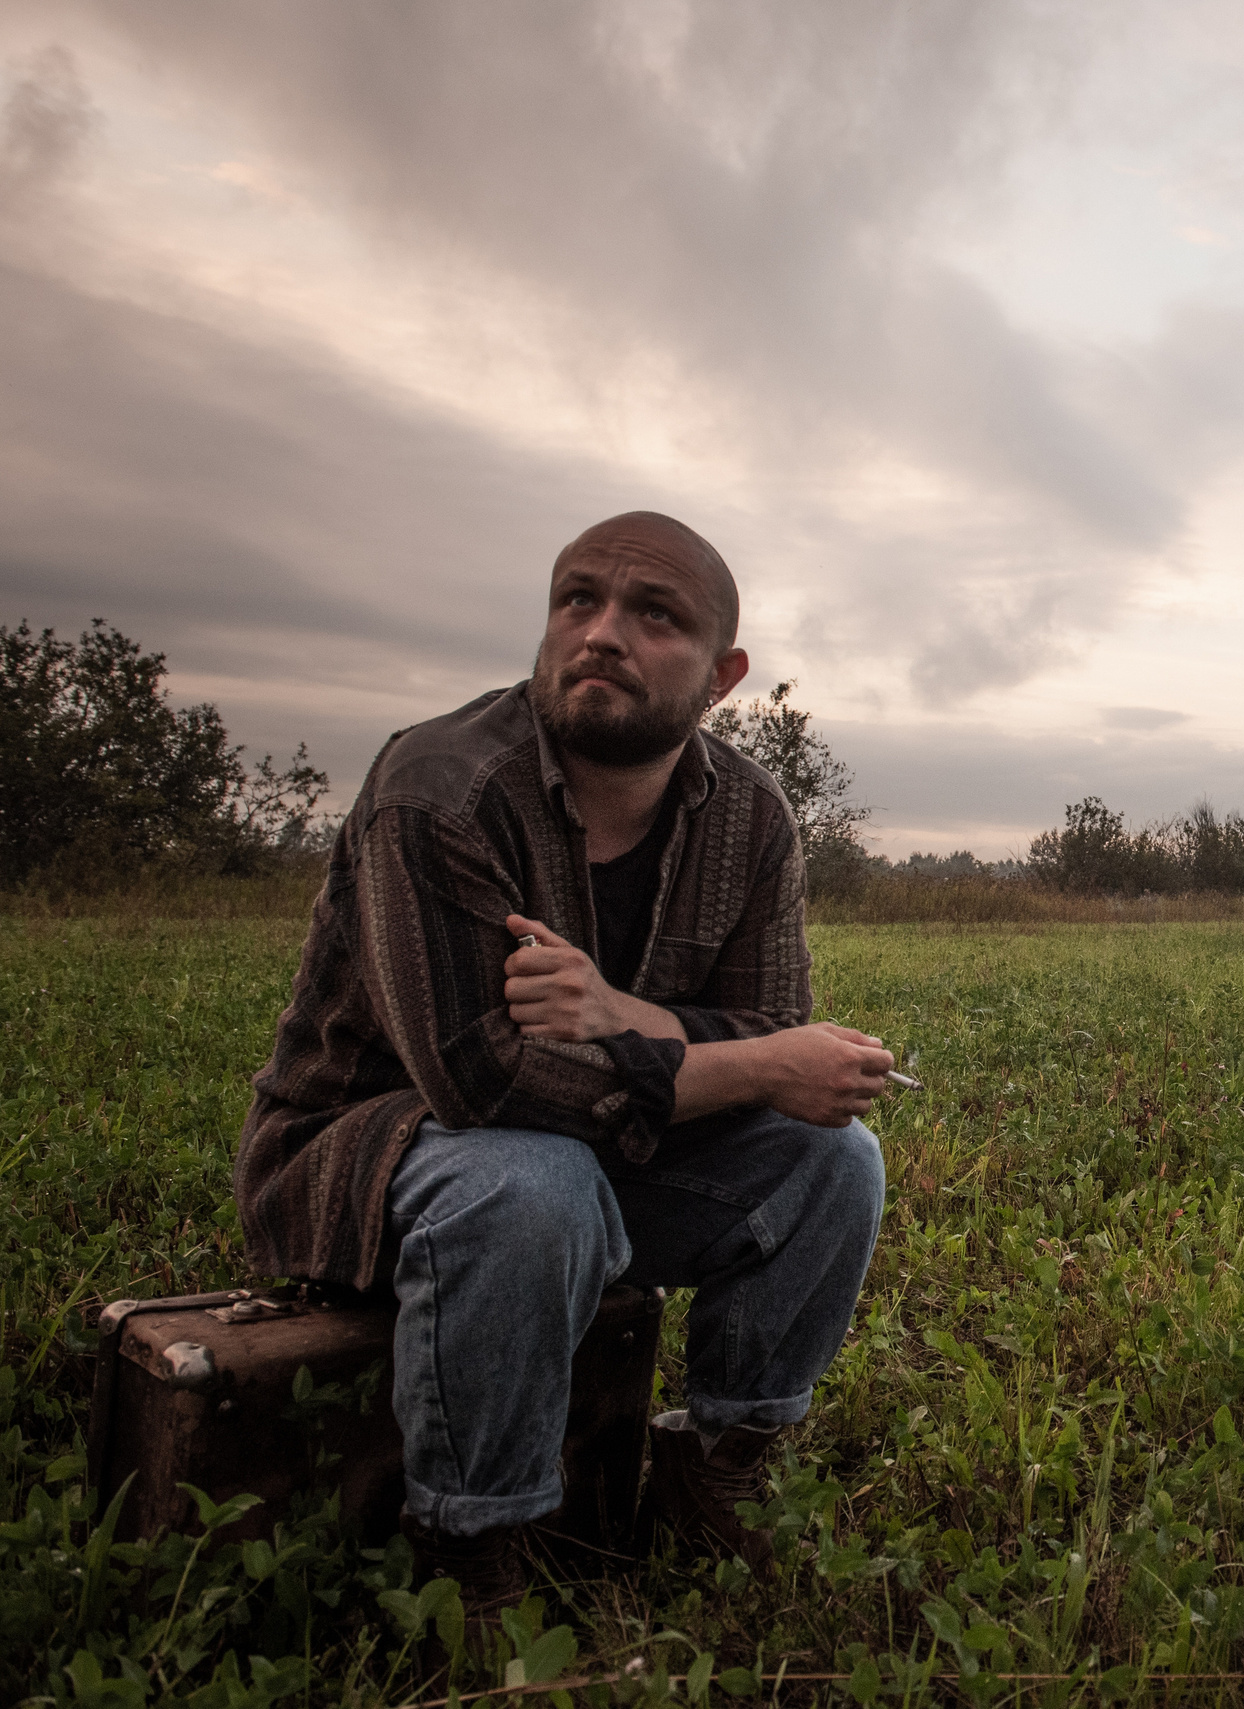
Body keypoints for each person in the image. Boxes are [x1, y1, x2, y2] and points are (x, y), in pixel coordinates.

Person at [235, 511, 893, 1609]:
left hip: (597, 1148)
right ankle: (472, 1555)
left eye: (654, 614)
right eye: (576, 600)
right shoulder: (437, 788)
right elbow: (482, 1082)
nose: (600, 632)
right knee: (534, 1180)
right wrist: (742, 1061)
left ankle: (716, 1479)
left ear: (723, 676)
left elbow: (771, 1023)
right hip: (369, 1150)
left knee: (834, 1161)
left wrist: (612, 1007)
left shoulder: (751, 815)